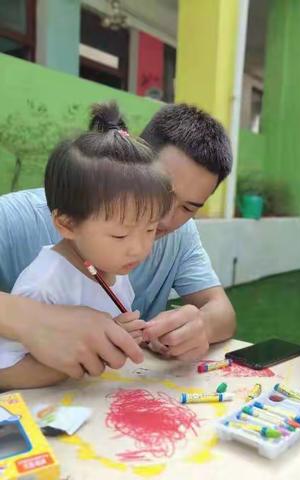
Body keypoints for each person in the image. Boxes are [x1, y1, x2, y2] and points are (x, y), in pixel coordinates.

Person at [0, 102, 236, 377]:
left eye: (188, 208)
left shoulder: (181, 235)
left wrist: (199, 327)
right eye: (163, 193)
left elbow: (223, 312)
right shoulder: (19, 216)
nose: (165, 218)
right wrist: (35, 320)